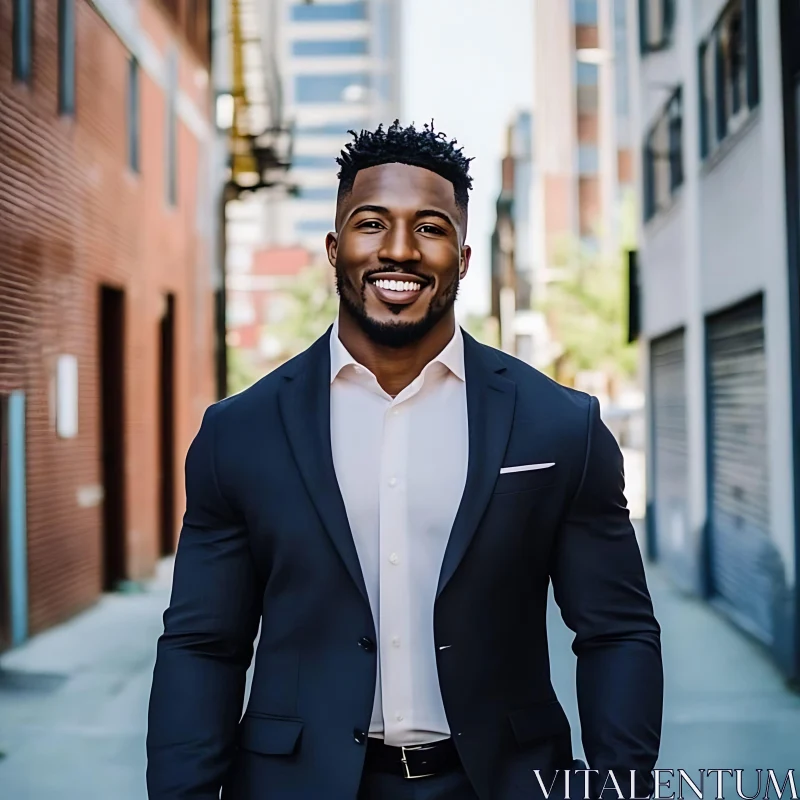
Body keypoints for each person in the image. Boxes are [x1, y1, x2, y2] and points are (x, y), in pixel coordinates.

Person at [146, 121, 663, 800]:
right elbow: (204, 647)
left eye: (429, 227)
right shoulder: (239, 432)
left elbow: (616, 631)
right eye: (371, 224)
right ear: (334, 248)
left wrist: (620, 789)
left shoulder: (559, 426)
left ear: (464, 255)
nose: (399, 250)